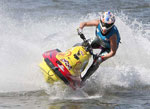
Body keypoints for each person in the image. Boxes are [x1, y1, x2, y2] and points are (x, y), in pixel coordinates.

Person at [77, 11, 121, 83]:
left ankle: (83, 80)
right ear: (101, 21)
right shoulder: (97, 23)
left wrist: (102, 57)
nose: (104, 28)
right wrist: (80, 29)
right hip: (99, 41)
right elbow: (84, 23)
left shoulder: (113, 35)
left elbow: (113, 52)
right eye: (104, 24)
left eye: (107, 25)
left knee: (97, 61)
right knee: (82, 46)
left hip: (108, 49)